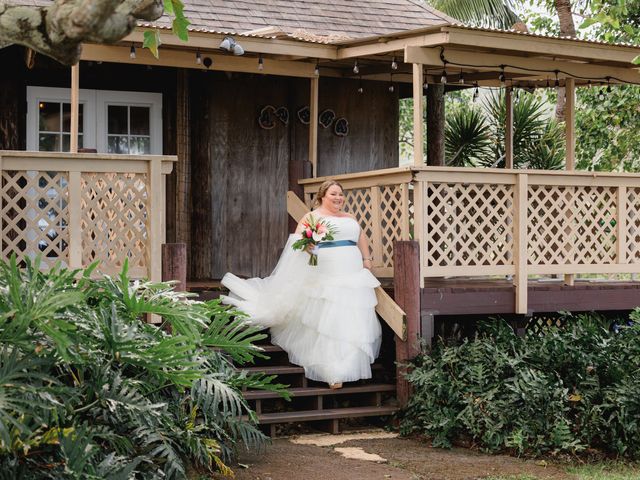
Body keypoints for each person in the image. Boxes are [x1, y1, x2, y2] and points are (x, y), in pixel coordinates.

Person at [221, 180, 382, 389]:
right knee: (329, 315)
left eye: (340, 194)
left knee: (352, 313)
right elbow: (298, 244)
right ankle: (332, 370)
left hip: (352, 270)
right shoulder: (312, 217)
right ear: (323, 196)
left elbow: (360, 237)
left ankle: (350, 364)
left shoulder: (350, 217)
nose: (338, 198)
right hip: (327, 269)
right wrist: (310, 248)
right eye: (333, 194)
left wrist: (367, 260)